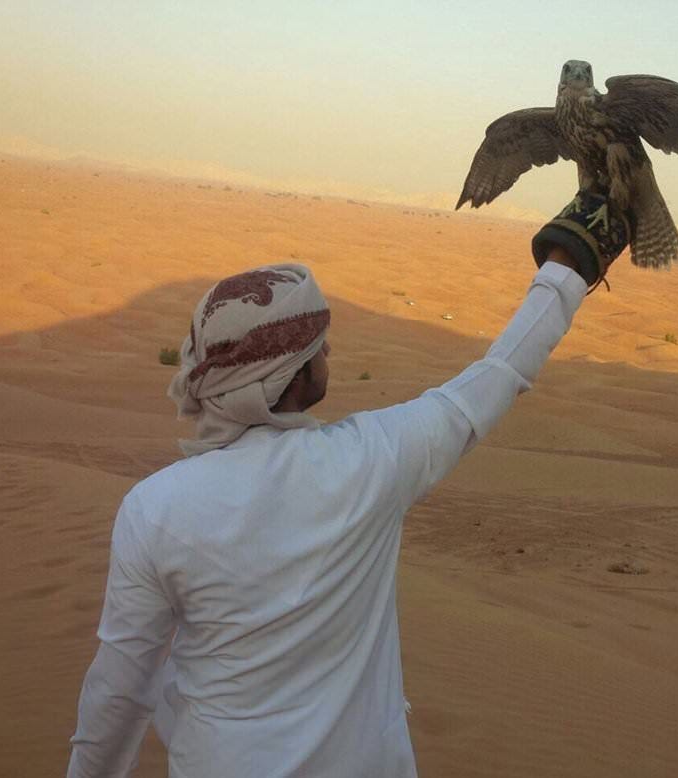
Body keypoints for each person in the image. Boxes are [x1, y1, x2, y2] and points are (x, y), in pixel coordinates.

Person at [66, 192, 629, 778]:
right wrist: (569, 265)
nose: (328, 351)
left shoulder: (154, 509)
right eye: (316, 346)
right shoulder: (371, 463)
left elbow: (121, 689)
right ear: (287, 375)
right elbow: (498, 374)